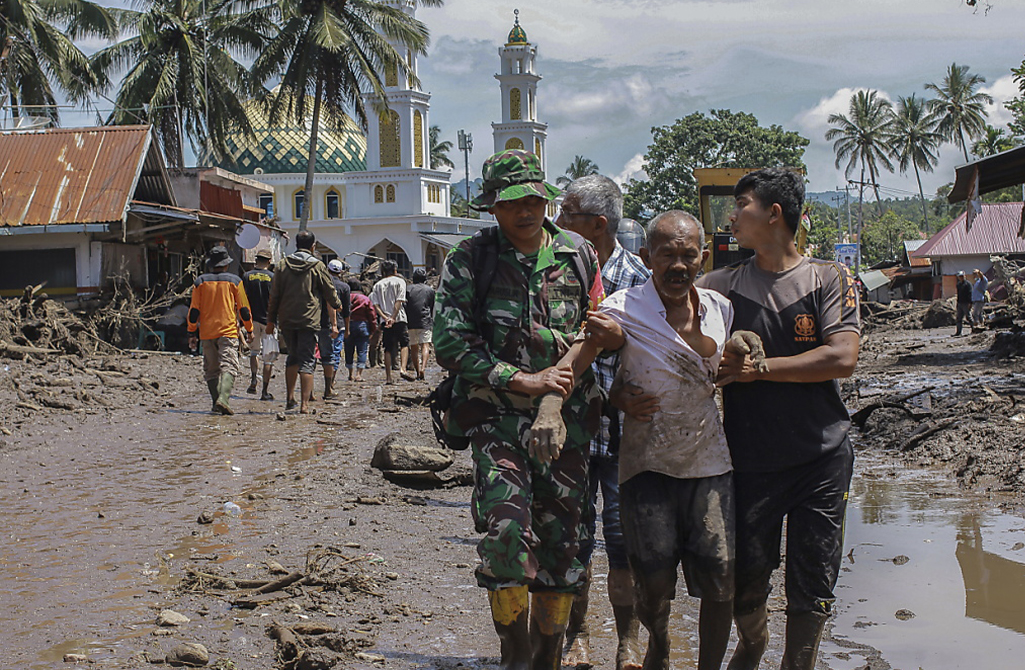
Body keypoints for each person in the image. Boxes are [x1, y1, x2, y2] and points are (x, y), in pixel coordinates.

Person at [433, 149, 604, 669]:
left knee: (563, 543)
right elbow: (450, 342)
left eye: (534, 199)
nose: (525, 211)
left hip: (568, 425)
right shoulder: (472, 257)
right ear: (492, 207)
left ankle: (548, 656)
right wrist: (524, 380)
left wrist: (554, 393)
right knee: (507, 533)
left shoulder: (578, 253)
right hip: (496, 420)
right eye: (512, 204)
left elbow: (596, 328)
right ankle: (515, 653)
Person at [545, 211, 737, 670]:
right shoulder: (621, 309)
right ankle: (660, 646)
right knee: (651, 582)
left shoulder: (719, 308)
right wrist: (558, 406)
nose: (677, 265)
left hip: (708, 461)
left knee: (719, 574)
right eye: (666, 254)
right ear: (647, 257)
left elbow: (727, 372)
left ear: (701, 258)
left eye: (687, 255)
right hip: (644, 464)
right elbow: (576, 359)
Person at [697, 168, 860, 670]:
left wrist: (758, 371)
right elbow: (686, 341)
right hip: (750, 460)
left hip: (822, 458)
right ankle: (753, 643)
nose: (732, 216)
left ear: (773, 214)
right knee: (746, 578)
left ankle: (799, 663)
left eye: (741, 204)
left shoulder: (830, 278)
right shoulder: (720, 287)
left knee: (813, 581)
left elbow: (842, 357)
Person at [555, 174, 649, 670]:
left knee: (622, 542)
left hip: (622, 436)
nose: (558, 221)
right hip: (570, 433)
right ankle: (579, 635)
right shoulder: (556, 272)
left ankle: (628, 641)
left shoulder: (639, 280)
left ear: (597, 225)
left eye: (566, 214)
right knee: (572, 541)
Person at [265, 230, 342, 414]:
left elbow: (274, 295)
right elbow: (329, 290)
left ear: (296, 245)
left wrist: (271, 320)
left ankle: (290, 398)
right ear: (313, 246)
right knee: (307, 361)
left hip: (287, 319)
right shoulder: (317, 266)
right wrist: (337, 305)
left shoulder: (282, 265)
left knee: (292, 357)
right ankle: (304, 405)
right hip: (309, 320)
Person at [187, 246, 254, 415]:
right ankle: (223, 400)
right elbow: (244, 309)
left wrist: (191, 332)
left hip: (207, 332)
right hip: (228, 331)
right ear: (226, 264)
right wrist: (249, 329)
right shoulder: (235, 281)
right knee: (229, 366)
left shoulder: (200, 282)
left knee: (211, 370)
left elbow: (194, 311)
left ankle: (216, 403)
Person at [242, 249, 278, 400]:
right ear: (269, 262)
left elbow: (243, 300)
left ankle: (254, 379)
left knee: (254, 352)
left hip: (252, 320)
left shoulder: (247, 276)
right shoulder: (273, 277)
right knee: (268, 358)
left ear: (256, 260)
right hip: (269, 321)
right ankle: (265, 391)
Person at [371, 260, 410, 384]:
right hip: (399, 318)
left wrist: (386, 317)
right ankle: (403, 369)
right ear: (395, 270)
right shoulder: (400, 282)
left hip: (385, 320)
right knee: (404, 344)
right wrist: (393, 317)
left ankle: (388, 377)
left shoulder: (378, 285)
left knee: (387, 348)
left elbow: (376, 305)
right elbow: (399, 301)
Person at [317, 259, 351, 399]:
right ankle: (329, 385)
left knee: (315, 355)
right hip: (335, 326)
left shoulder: (319, 284)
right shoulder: (344, 287)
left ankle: (315, 389)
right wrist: (346, 328)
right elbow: (346, 310)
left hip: (317, 323)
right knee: (333, 355)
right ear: (341, 272)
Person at [405, 267, 436, 381]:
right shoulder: (430, 290)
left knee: (413, 346)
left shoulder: (408, 289)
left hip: (411, 321)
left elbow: (405, 305)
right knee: (425, 344)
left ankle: (417, 371)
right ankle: (423, 368)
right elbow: (432, 306)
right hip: (425, 320)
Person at [345, 279, 376, 381]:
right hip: (362, 325)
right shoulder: (365, 299)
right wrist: (373, 329)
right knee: (362, 350)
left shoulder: (345, 298)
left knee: (348, 350)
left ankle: (350, 374)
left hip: (348, 324)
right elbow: (371, 315)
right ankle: (358, 374)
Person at [955, 271, 973, 337]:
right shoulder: (958, 285)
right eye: (960, 277)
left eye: (962, 276)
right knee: (959, 318)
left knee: (968, 317)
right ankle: (958, 332)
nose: (961, 278)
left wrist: (970, 303)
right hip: (960, 303)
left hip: (966, 303)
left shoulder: (968, 284)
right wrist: (957, 303)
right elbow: (958, 294)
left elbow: (970, 294)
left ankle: (974, 329)